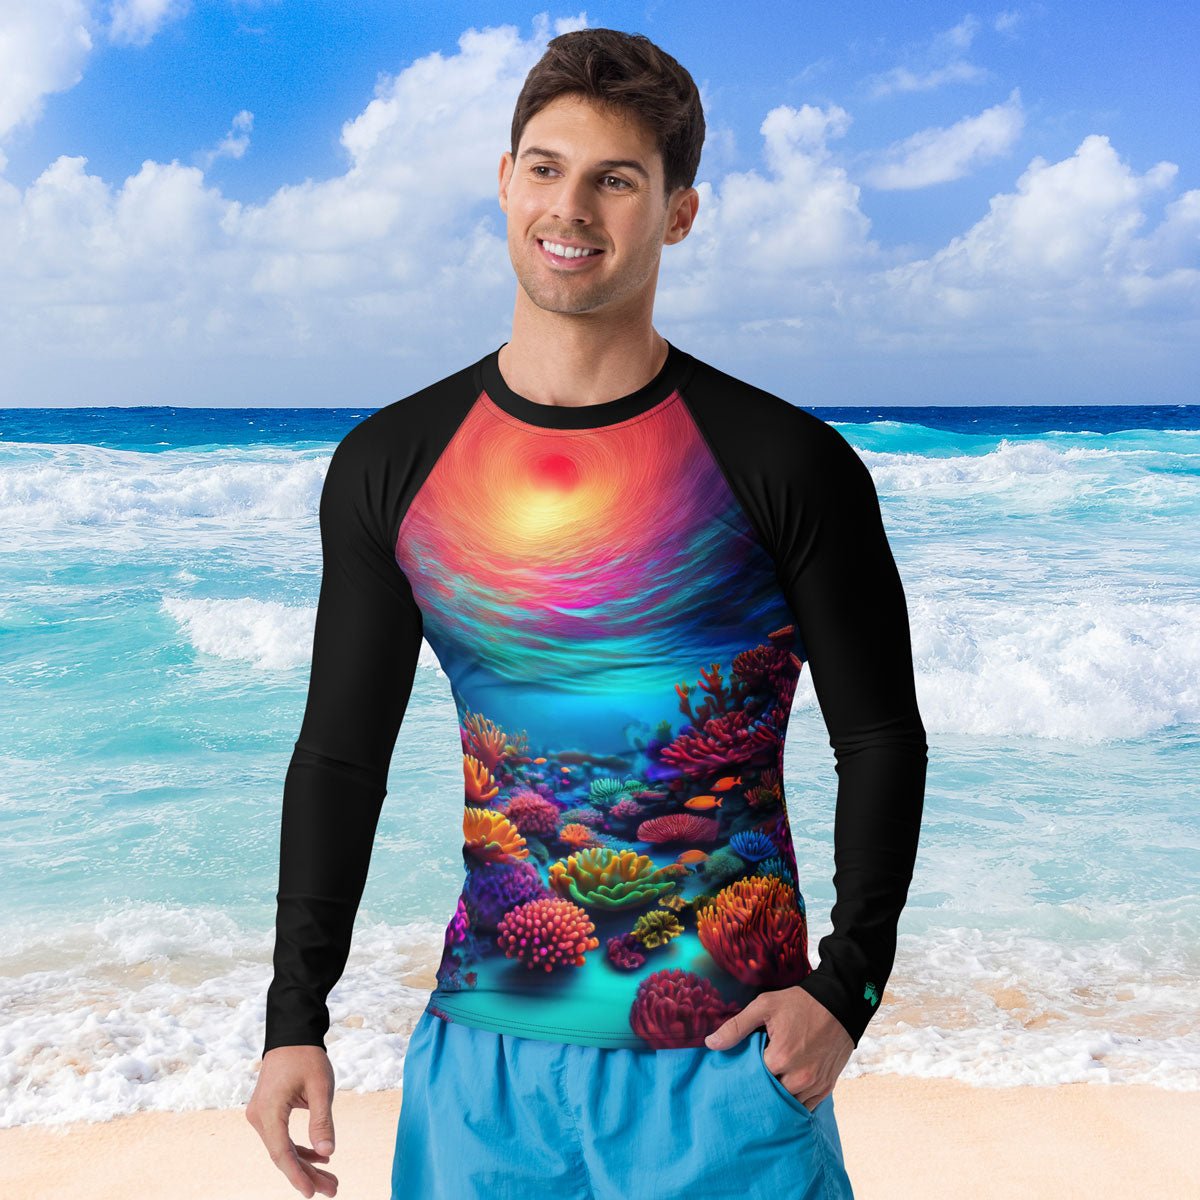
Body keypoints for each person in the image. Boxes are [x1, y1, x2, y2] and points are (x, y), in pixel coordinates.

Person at [245, 26, 927, 1200]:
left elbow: (879, 737)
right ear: (505, 180)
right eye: (548, 167)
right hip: (481, 1066)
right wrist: (292, 1015)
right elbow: (340, 756)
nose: (573, 207)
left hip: (728, 1064)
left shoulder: (786, 462)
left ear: (678, 213)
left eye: (618, 178)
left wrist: (847, 990)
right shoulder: (393, 463)